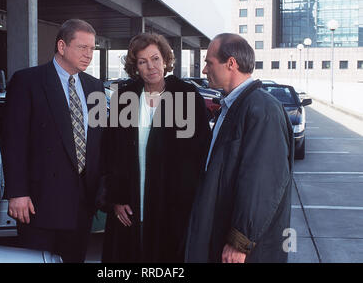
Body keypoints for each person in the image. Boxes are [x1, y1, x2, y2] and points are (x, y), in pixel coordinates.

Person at [101, 32, 210, 262]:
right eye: (143, 61)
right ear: (135, 67)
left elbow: (201, 154)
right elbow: (110, 153)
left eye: (156, 58)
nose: (151, 67)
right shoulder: (123, 98)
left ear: (165, 60)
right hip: (130, 202)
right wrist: (115, 199)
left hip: (172, 207)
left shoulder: (187, 96)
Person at [3, 19, 105, 262]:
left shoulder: (95, 87)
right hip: (39, 203)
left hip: (82, 203)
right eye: (83, 48)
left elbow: (98, 142)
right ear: (62, 46)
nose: (89, 55)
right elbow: (14, 141)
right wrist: (17, 192)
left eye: (92, 49)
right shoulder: (27, 81)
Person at [185, 33, 294, 263]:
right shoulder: (234, 106)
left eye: (209, 62)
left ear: (231, 63)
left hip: (246, 250)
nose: (204, 70)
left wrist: (240, 241)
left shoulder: (262, 110)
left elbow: (262, 183)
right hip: (222, 235)